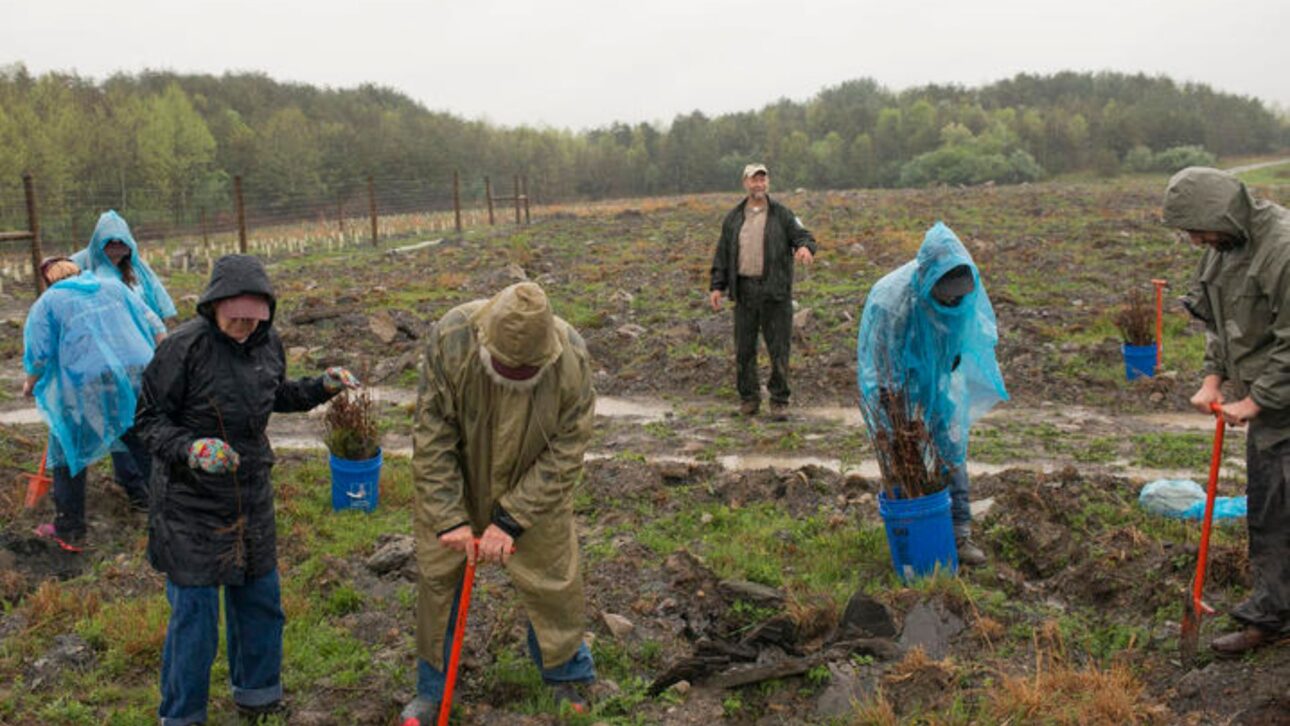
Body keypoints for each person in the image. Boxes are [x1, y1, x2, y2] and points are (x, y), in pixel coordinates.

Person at [133, 254, 358, 725]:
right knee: (194, 618)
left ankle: (258, 696)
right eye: (235, 319)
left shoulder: (266, 343)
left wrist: (321, 387)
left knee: (260, 602)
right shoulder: (183, 348)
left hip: (250, 495)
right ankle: (181, 715)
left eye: (254, 321)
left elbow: (275, 394)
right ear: (213, 307)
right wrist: (192, 448)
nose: (243, 329)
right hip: (189, 503)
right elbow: (147, 422)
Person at [403, 282, 596, 724]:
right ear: (487, 341)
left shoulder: (571, 358)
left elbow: (568, 448)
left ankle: (567, 674)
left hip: (534, 482)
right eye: (506, 369)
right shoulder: (453, 336)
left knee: (552, 578)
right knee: (438, 580)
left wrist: (512, 519)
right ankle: (432, 690)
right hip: (460, 476)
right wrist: (449, 517)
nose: (514, 377)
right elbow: (432, 434)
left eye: (524, 372)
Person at [1167, 166, 1290, 655]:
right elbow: (1219, 323)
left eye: (1198, 228)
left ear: (1222, 213)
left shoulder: (1281, 249)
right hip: (1273, 408)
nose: (1196, 240)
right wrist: (1213, 380)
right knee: (1269, 510)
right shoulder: (1223, 251)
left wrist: (1256, 399)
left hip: (1277, 397)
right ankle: (1273, 616)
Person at [856, 222, 1008, 567]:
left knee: (951, 449)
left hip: (938, 379)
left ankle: (959, 534)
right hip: (896, 389)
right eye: (948, 294)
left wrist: (945, 375)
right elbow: (880, 364)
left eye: (958, 295)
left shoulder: (963, 294)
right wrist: (896, 407)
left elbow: (966, 335)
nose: (954, 299)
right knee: (902, 455)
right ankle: (910, 533)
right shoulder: (890, 303)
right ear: (929, 280)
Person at [22, 256, 166, 550]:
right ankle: (166, 511)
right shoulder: (113, 286)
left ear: (47, 280)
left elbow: (38, 354)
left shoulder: (48, 303)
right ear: (78, 270)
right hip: (134, 374)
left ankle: (69, 528)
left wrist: (30, 382)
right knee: (140, 437)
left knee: (68, 450)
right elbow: (154, 323)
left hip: (83, 383)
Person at [708, 163, 817, 419]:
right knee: (744, 349)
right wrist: (716, 286)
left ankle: (779, 401)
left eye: (762, 180)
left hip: (775, 293)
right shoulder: (734, 218)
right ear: (745, 183)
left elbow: (804, 236)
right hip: (744, 292)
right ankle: (749, 399)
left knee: (779, 349)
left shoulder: (783, 214)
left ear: (767, 183)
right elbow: (722, 254)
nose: (758, 184)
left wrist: (805, 248)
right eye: (754, 180)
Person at [72, 209, 178, 325]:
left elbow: (157, 292)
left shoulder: (138, 268)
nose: (117, 246)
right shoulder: (79, 263)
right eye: (111, 242)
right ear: (99, 242)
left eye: (121, 241)